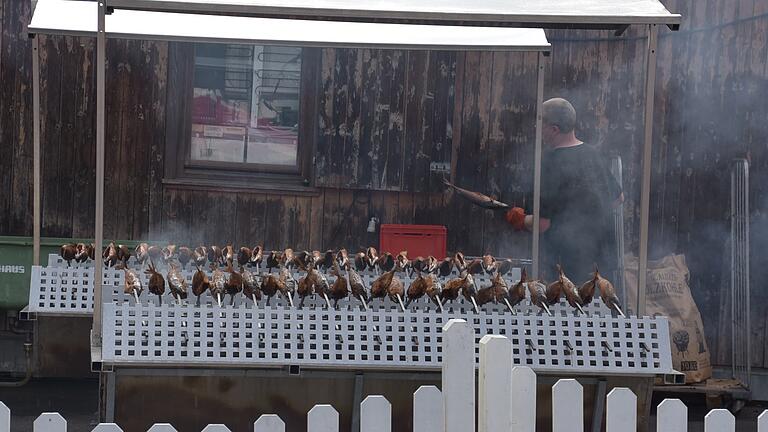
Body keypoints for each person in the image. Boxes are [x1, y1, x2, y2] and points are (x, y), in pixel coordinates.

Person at [506, 98, 623, 281]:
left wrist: (521, 220)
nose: (538, 130)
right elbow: (618, 198)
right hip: (602, 266)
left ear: (554, 129)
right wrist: (590, 215)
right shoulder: (593, 155)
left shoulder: (549, 163)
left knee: (567, 309)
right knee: (599, 309)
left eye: (541, 125)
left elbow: (542, 224)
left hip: (567, 269)